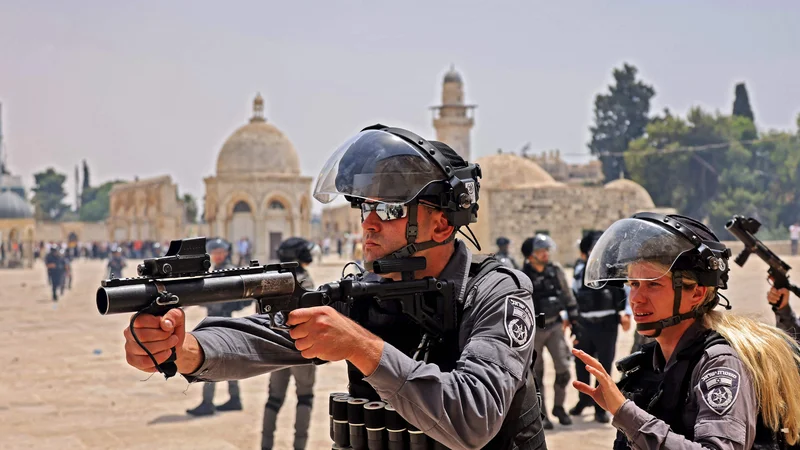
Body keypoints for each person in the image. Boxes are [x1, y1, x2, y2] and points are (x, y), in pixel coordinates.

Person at [122, 124, 547, 449]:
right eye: (364, 207)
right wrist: (182, 349)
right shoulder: (365, 292)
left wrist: (361, 347)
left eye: (391, 208)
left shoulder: (496, 293)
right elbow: (269, 336)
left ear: (440, 222)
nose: (369, 222)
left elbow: (474, 418)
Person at [572, 212, 800, 449]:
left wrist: (624, 412)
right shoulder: (653, 362)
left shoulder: (720, 364)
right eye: (634, 284)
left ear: (697, 293)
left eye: (653, 284)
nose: (637, 299)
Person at [185, 238, 252, 416]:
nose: (215, 255)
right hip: (220, 320)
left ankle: (208, 403)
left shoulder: (227, 271)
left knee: (210, 361)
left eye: (218, 251)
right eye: (213, 252)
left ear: (225, 252)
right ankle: (235, 399)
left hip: (222, 321)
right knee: (228, 361)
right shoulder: (218, 270)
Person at [262, 237, 317, 450]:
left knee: (274, 399)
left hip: (277, 347)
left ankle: (265, 446)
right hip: (301, 349)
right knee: (305, 397)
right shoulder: (305, 280)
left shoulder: (273, 280)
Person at [568, 230, 629, 423]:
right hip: (584, 323)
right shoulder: (580, 270)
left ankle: (600, 407)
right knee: (581, 364)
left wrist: (626, 313)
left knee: (603, 366)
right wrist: (567, 317)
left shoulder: (614, 269)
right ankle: (583, 400)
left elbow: (626, 290)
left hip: (608, 324)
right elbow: (572, 293)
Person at [521, 234, 578, 429]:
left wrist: (574, 320)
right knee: (536, 374)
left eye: (546, 251)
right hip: (534, 330)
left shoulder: (556, 271)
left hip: (555, 327)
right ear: (530, 256)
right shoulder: (522, 276)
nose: (545, 254)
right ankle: (541, 413)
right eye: (540, 251)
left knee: (563, 369)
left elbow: (568, 296)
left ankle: (559, 408)